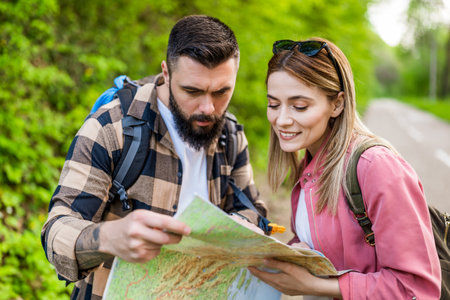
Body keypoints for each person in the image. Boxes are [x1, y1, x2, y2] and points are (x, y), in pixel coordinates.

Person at [41, 15, 266, 299]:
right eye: (192, 91)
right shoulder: (111, 128)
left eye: (222, 92)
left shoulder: (230, 136)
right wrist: (110, 238)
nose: (208, 108)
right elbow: (55, 231)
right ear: (166, 73)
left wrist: (243, 227)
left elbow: (253, 207)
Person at [248, 38, 441, 299]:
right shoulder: (308, 164)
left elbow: (416, 289)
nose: (281, 120)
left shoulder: (377, 169)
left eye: (300, 106)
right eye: (273, 104)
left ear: (337, 104)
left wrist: (315, 286)